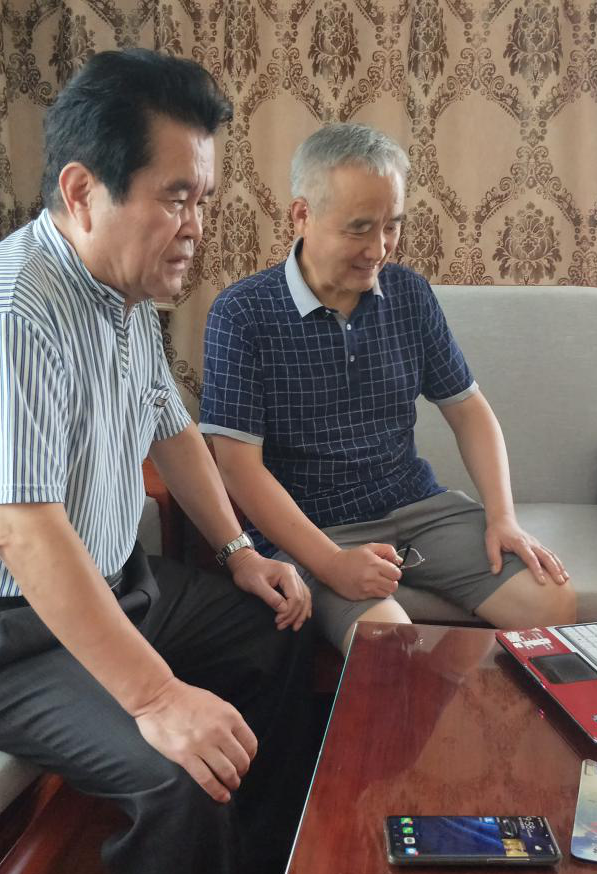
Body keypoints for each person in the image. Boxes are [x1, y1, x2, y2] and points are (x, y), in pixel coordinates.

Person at [0, 49, 316, 874]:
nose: (196, 226)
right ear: (82, 192)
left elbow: (172, 428)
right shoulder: (11, 310)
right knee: (179, 776)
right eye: (175, 198)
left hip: (109, 587)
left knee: (279, 624)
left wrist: (238, 553)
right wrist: (157, 698)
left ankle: (260, 871)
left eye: (203, 199)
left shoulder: (122, 292)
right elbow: (20, 530)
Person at [199, 122, 576, 654]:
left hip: (416, 506)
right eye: (358, 229)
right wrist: (331, 563)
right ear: (302, 215)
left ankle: (470, 702)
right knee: (392, 650)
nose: (378, 249)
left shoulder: (409, 294)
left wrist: (503, 517)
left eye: (392, 225)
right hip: (318, 528)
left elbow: (469, 410)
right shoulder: (241, 313)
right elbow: (239, 469)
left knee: (553, 604)